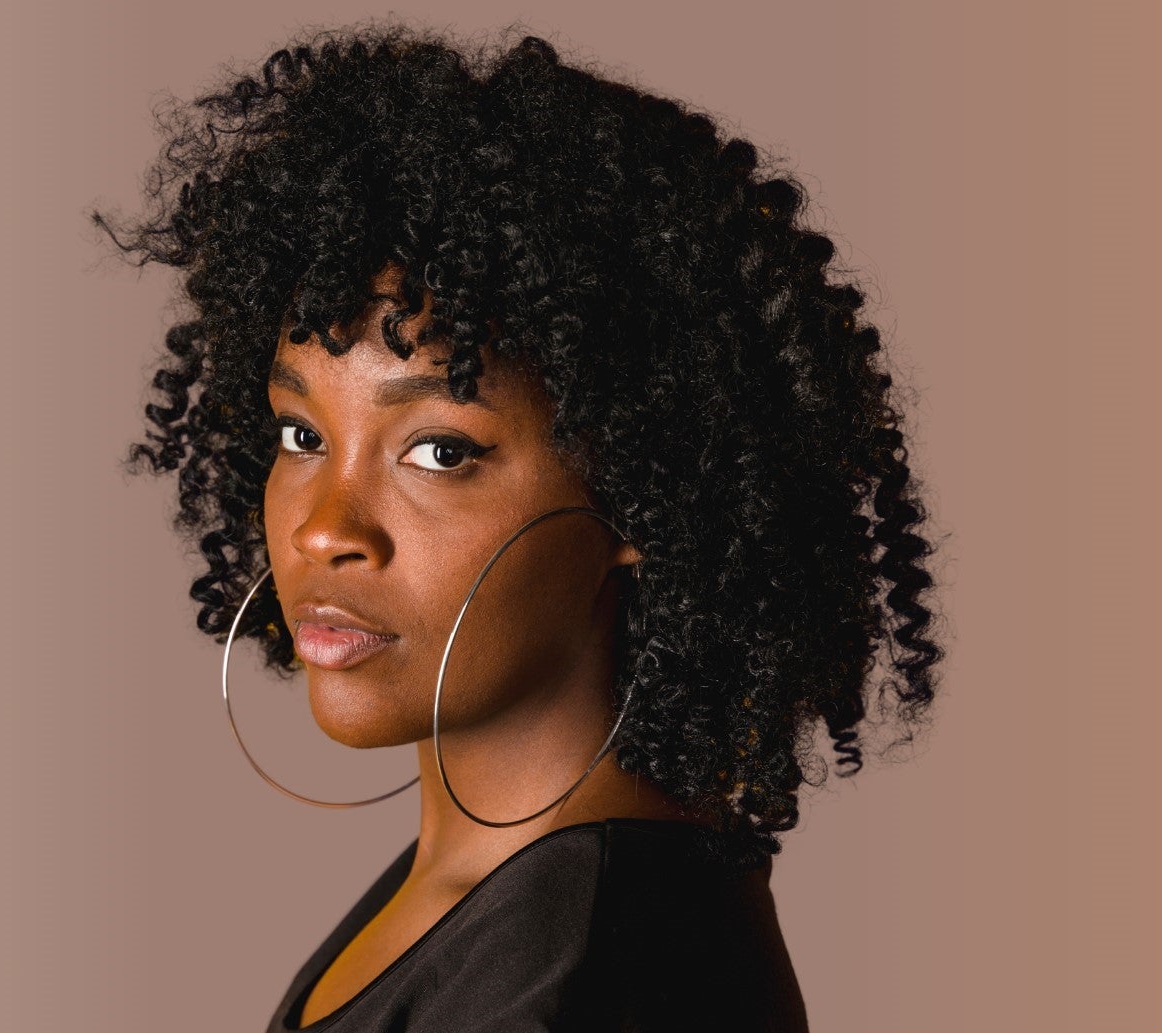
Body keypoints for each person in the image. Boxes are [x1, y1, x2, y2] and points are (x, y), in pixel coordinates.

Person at [94, 21, 946, 1032]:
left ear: (639, 484)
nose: (325, 530)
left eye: (438, 451)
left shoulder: (581, 976)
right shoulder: (501, 882)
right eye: (299, 432)